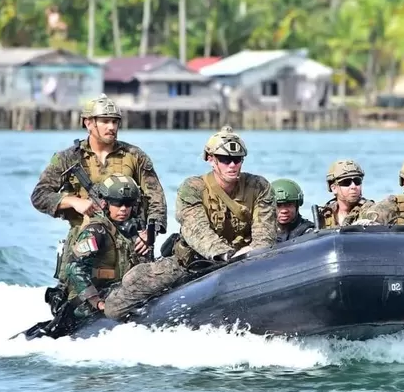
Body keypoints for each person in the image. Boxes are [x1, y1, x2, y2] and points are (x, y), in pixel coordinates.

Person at [103, 125, 277, 320]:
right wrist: (227, 255)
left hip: (245, 258)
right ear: (211, 159)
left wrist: (252, 253)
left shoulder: (259, 187)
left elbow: (265, 233)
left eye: (237, 160)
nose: (232, 165)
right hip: (193, 262)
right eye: (225, 159)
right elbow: (197, 229)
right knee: (116, 305)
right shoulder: (193, 188)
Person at [30, 93, 167, 282]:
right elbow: (39, 195)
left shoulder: (134, 156)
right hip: (87, 240)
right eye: (105, 121)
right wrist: (72, 201)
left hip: (131, 242)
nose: (111, 127)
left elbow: (155, 197)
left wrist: (149, 234)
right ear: (88, 123)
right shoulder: (68, 158)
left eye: (115, 122)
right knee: (77, 297)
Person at [63, 174, 143, 317]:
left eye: (128, 203)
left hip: (118, 291)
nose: (123, 209)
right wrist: (97, 302)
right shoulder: (97, 230)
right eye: (117, 203)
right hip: (90, 301)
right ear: (106, 203)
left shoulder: (130, 229)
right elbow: (73, 266)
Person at [315, 159, 373, 228]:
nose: (353, 186)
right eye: (346, 182)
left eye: (357, 181)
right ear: (334, 188)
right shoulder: (325, 215)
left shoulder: (370, 210)